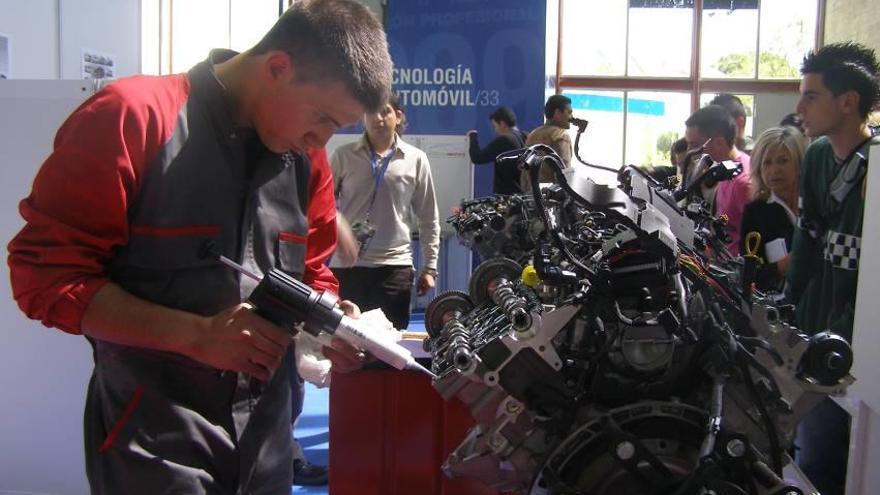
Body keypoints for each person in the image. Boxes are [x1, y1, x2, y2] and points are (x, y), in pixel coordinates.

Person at [6, 1, 393, 493]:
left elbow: (311, 271)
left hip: (268, 448)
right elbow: (46, 278)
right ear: (277, 67)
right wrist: (194, 335)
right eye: (321, 118)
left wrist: (332, 320)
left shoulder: (306, 160)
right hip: (153, 447)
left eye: (337, 128)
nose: (322, 141)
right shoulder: (134, 119)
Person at [787, 41, 880, 495]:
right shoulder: (819, 157)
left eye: (810, 95)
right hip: (812, 323)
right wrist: (788, 310)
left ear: (848, 102)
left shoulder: (875, 167)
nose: (799, 107)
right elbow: (806, 239)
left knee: (834, 455)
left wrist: (840, 335)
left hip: (857, 338)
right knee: (807, 450)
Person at [329, 94, 441, 331]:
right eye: (371, 112)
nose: (378, 118)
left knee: (391, 349)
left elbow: (428, 218)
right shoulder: (343, 155)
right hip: (348, 268)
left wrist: (430, 268)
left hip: (395, 268)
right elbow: (321, 205)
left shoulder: (416, 159)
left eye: (385, 111)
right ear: (363, 117)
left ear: (398, 116)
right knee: (344, 345)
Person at [739, 126, 808, 291]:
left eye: (783, 161)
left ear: (799, 163)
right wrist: (781, 267)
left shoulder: (815, 205)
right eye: (767, 163)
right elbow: (747, 275)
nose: (774, 170)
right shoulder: (755, 213)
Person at [684, 104, 752, 255]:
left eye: (695, 145)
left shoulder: (742, 182)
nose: (690, 151)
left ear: (719, 142)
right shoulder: (724, 169)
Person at [466, 106, 528, 195]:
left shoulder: (504, 140)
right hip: (524, 195)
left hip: (507, 197)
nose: (495, 131)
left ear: (502, 124)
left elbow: (477, 158)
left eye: (495, 126)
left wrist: (473, 137)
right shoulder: (525, 136)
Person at [522, 94, 574, 192]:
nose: (572, 117)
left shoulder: (533, 134)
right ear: (558, 113)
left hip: (531, 197)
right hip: (552, 200)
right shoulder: (561, 135)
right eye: (569, 112)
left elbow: (524, 172)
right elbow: (565, 174)